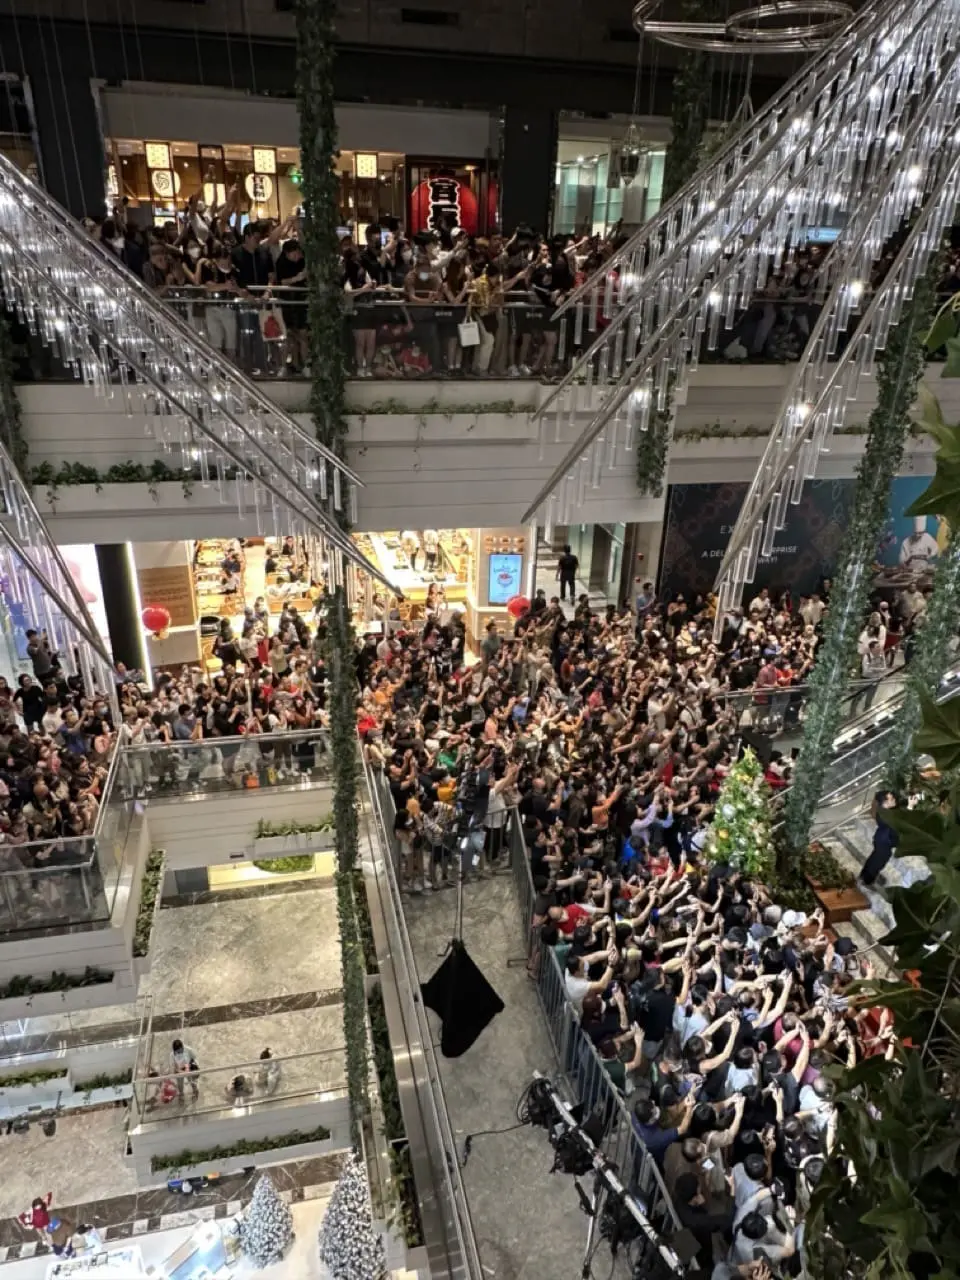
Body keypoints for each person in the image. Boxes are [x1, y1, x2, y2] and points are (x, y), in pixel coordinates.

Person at [860, 790, 899, 886]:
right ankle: (867, 881)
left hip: (881, 840)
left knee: (874, 859)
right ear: (885, 802)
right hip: (884, 842)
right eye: (891, 799)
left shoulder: (883, 811)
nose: (894, 799)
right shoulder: (884, 814)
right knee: (877, 863)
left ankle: (863, 876)